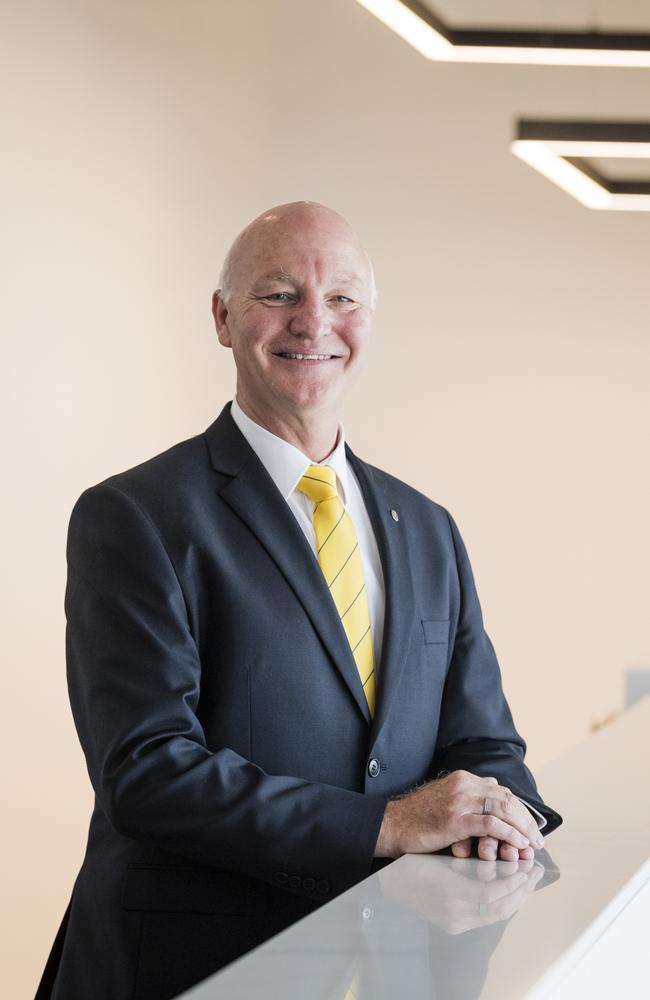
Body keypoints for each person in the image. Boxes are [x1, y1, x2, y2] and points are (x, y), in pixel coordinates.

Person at [35, 201, 561, 1000]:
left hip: (390, 962)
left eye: (343, 298)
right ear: (222, 317)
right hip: (188, 967)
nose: (313, 321)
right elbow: (147, 772)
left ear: (369, 321)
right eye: (278, 293)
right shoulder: (136, 515)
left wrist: (503, 814)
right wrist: (388, 825)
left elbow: (484, 743)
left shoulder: (426, 527)